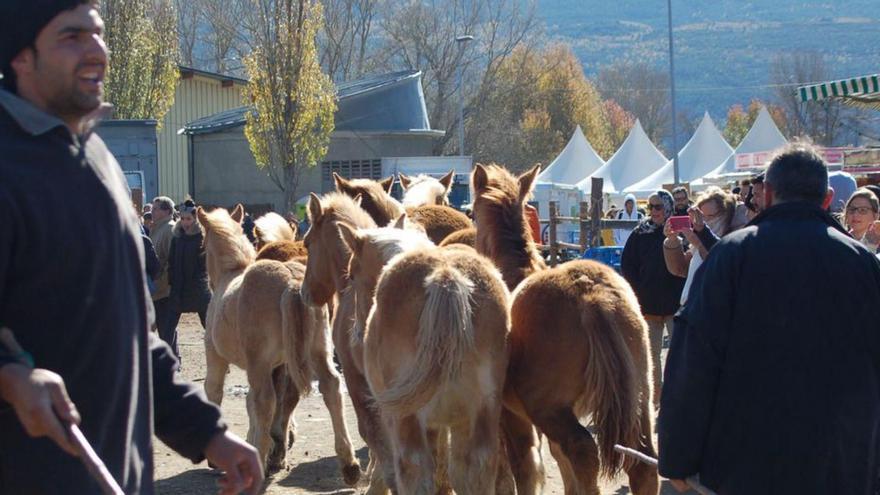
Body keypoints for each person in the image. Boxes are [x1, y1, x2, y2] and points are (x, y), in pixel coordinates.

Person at [0, 2, 261, 494]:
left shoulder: (97, 159)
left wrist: (208, 432)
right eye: (72, 37)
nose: (97, 50)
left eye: (98, 34)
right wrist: (11, 378)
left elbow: (134, 337)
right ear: (21, 57)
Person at [659, 143, 880, 495]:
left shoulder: (730, 257)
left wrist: (677, 457)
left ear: (769, 192)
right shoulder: (864, 265)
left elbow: (693, 362)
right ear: (827, 199)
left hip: (746, 463)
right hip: (842, 463)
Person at [621, 189, 685, 404]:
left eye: (658, 206)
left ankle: (676, 397)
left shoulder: (680, 230)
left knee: (678, 355)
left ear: (667, 206)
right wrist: (636, 291)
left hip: (676, 304)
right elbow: (628, 263)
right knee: (650, 357)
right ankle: (655, 398)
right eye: (650, 207)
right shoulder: (641, 232)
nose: (654, 211)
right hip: (648, 304)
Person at [662, 187, 735, 305]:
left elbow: (722, 268)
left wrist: (700, 244)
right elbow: (680, 269)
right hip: (695, 308)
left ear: (724, 215)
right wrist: (672, 240)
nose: (704, 221)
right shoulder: (698, 237)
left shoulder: (732, 237)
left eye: (710, 216)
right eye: (702, 216)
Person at [166, 200, 212, 364]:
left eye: (189, 219)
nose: (185, 222)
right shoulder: (177, 238)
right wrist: (171, 280)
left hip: (199, 291)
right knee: (167, 329)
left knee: (210, 329)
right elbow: (171, 262)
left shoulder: (202, 238)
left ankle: (219, 360)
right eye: (183, 219)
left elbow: (206, 264)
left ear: (195, 220)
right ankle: (171, 363)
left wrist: (202, 283)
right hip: (178, 290)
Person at [150, 196, 175, 345]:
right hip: (156, 290)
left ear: (166, 211)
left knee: (166, 332)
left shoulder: (169, 229)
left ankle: (171, 364)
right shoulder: (157, 228)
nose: (152, 211)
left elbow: (171, 260)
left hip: (164, 291)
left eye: (155, 209)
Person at [842, 188, 880, 253]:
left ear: (876, 215)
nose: (855, 214)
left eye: (863, 210)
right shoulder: (839, 241)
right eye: (852, 209)